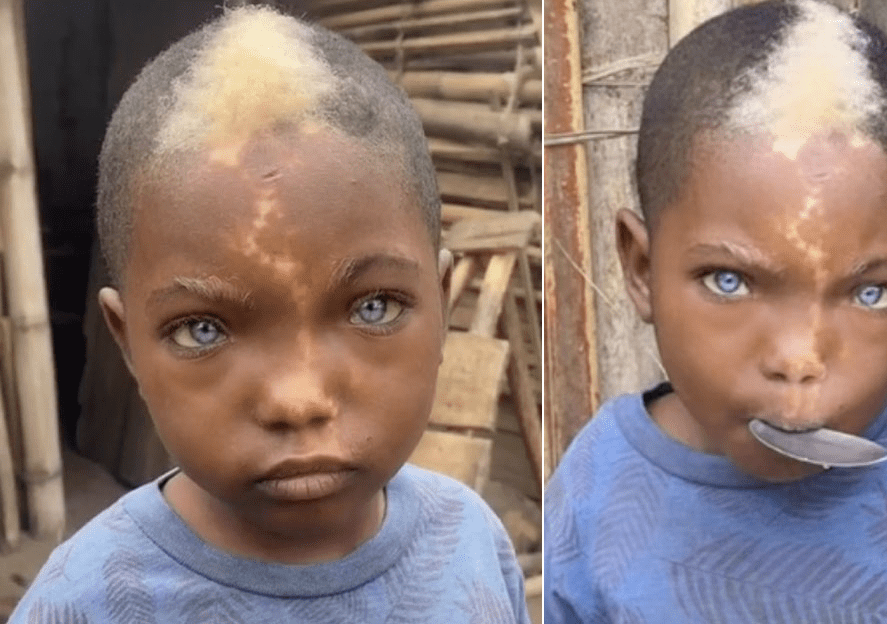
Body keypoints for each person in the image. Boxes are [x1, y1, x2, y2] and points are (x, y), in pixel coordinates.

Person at [544, 1, 887, 622]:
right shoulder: (597, 487)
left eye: (872, 293)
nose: (799, 359)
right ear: (642, 269)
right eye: (729, 281)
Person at [10, 6, 529, 623]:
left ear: (442, 307)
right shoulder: (82, 605)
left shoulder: (471, 543)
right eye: (203, 328)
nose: (298, 400)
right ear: (126, 344)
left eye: (374, 306)